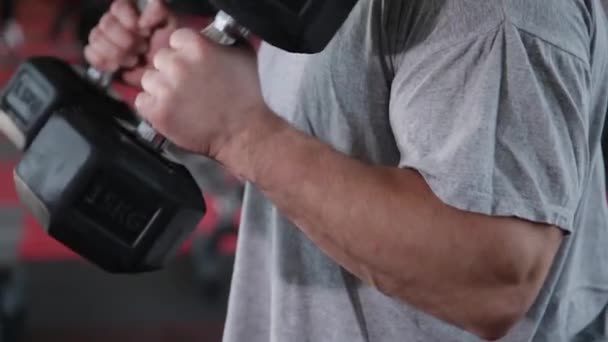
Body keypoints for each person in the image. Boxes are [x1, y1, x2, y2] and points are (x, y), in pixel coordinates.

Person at [85, 0, 608, 340]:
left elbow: (492, 282)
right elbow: (327, 154)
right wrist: (197, 84)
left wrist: (242, 131)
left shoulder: (498, 12)